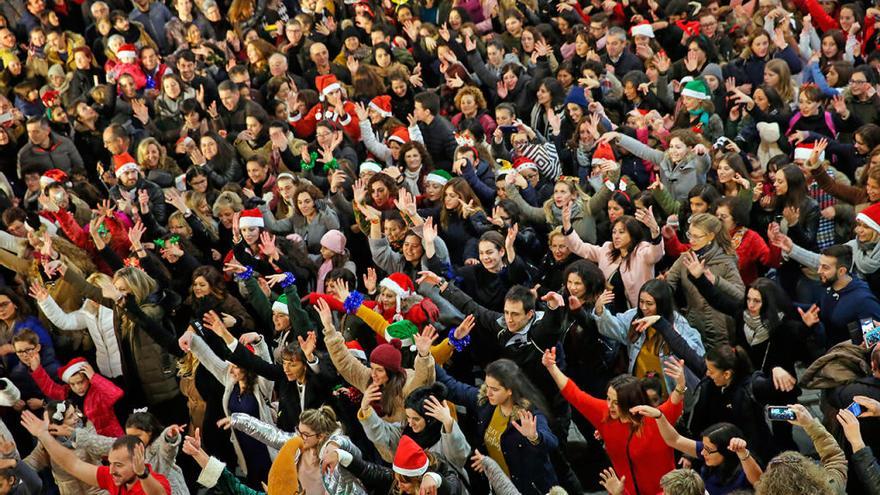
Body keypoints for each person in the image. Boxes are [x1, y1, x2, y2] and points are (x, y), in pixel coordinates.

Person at [542, 345, 687, 495]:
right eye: (608, 399)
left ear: (631, 401)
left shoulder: (657, 417)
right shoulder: (605, 414)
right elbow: (574, 394)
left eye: (616, 402)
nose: (609, 406)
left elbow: (674, 401)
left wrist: (681, 383)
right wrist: (552, 367)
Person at [20, 410, 172, 495]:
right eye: (111, 463)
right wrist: (44, 435)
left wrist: (143, 474)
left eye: (118, 465)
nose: (111, 470)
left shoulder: (157, 481)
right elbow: (73, 464)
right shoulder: (112, 476)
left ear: (136, 462)